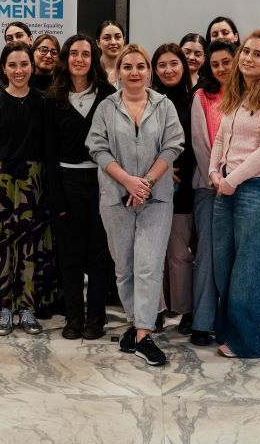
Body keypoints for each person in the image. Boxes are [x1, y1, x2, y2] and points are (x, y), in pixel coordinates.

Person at [86, 43, 184, 366]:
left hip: (156, 198)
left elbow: (172, 147)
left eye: (140, 66)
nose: (134, 72)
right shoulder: (106, 107)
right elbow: (97, 149)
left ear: (149, 70)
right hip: (116, 197)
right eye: (127, 67)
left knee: (148, 265)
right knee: (124, 267)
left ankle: (144, 334)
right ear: (119, 71)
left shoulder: (165, 105)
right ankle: (134, 322)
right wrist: (128, 182)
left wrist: (146, 184)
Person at [209, 30, 260, 359]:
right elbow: (220, 139)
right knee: (224, 264)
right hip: (225, 186)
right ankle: (229, 331)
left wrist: (233, 180)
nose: (248, 58)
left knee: (250, 269)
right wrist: (215, 172)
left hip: (256, 189)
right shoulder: (238, 92)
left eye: (258, 54)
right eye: (246, 52)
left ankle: (249, 342)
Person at [0, 42, 53, 337]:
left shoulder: (44, 103)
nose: (19, 71)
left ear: (32, 67)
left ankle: (28, 309)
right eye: (12, 65)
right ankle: (6, 308)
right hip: (0, 184)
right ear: (3, 69)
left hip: (35, 184)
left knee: (32, 247)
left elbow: (49, 152)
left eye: (24, 65)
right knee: (4, 249)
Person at [44, 35, 116, 340]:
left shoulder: (109, 95)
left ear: (93, 58)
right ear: (65, 58)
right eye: (73, 53)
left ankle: (95, 319)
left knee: (100, 255)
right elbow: (47, 153)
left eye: (85, 54)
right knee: (70, 256)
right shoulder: (52, 97)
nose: (79, 59)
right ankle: (73, 317)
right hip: (66, 182)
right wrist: (56, 196)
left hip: (102, 182)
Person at [188, 40, 237, 347]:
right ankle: (203, 321)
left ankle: (231, 320)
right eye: (215, 63)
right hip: (209, 187)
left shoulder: (251, 95)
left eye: (226, 62)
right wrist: (216, 178)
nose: (220, 69)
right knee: (207, 254)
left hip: (246, 188)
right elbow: (200, 143)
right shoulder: (202, 97)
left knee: (237, 257)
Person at [151, 43, 196, 333]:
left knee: (179, 254)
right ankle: (153, 310)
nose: (168, 70)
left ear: (184, 66)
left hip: (186, 186)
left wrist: (179, 172)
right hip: (153, 185)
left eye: (174, 63)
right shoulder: (148, 101)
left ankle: (185, 309)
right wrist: (160, 172)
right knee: (151, 254)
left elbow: (197, 143)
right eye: (162, 64)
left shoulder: (196, 100)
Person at [96, 20, 126, 84]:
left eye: (117, 37)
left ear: (124, 40)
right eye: (107, 38)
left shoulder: (132, 70)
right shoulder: (91, 71)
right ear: (98, 43)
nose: (113, 42)